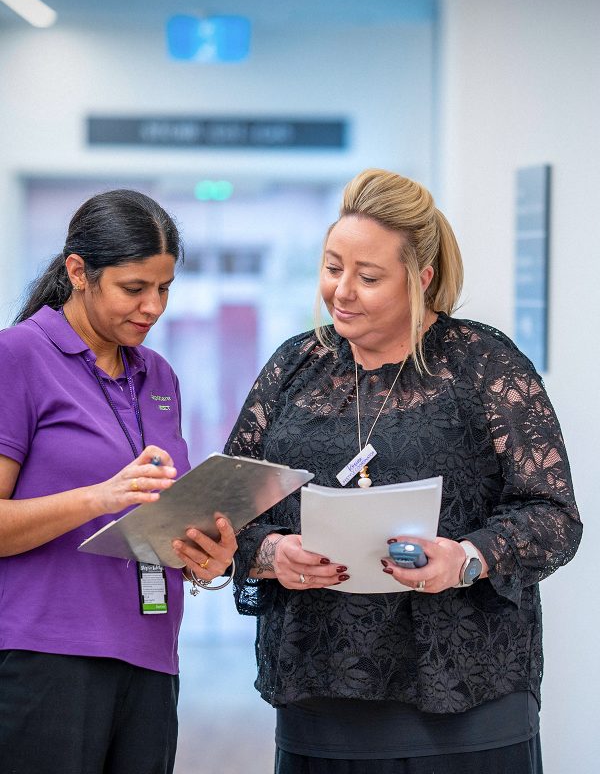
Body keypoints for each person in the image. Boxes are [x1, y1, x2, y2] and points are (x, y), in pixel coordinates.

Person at [225, 169, 582, 774]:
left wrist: (466, 557)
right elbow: (231, 510)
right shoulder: (295, 365)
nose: (341, 291)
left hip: (466, 695)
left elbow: (552, 515)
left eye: (368, 277)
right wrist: (271, 554)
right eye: (333, 267)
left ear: (421, 279)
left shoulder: (481, 364)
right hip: (320, 693)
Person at [0, 189, 237, 774]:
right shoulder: (19, 357)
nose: (153, 306)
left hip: (152, 653)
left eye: (164, 288)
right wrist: (98, 497)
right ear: (78, 272)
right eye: (135, 289)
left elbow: (156, 518)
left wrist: (205, 556)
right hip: (45, 654)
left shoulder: (158, 375)